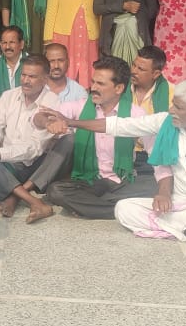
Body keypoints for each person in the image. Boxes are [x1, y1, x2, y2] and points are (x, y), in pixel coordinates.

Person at [56, 79, 186, 256]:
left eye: (178, 107)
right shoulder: (167, 122)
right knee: (123, 209)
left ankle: (181, 227)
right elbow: (120, 125)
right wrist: (72, 122)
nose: (171, 110)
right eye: (173, 104)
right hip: (178, 202)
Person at [29, 57, 161, 219]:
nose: (94, 88)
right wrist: (48, 123)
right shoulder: (80, 105)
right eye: (93, 82)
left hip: (122, 181)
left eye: (101, 84)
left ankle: (90, 207)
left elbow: (155, 152)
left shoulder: (136, 113)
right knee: (56, 191)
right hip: (88, 181)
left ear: (119, 88)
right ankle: (119, 208)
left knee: (156, 185)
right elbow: (39, 116)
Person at [0, 54, 59, 222]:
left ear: (45, 79)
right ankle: (30, 200)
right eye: (23, 75)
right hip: (10, 163)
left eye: (32, 77)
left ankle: (20, 197)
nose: (25, 81)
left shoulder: (52, 102)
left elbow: (34, 148)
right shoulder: (8, 96)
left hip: (36, 165)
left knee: (67, 142)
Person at [132, 45, 173, 170]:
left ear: (155, 74)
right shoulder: (120, 89)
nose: (134, 71)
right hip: (122, 154)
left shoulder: (172, 93)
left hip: (156, 157)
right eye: (133, 65)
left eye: (140, 69)